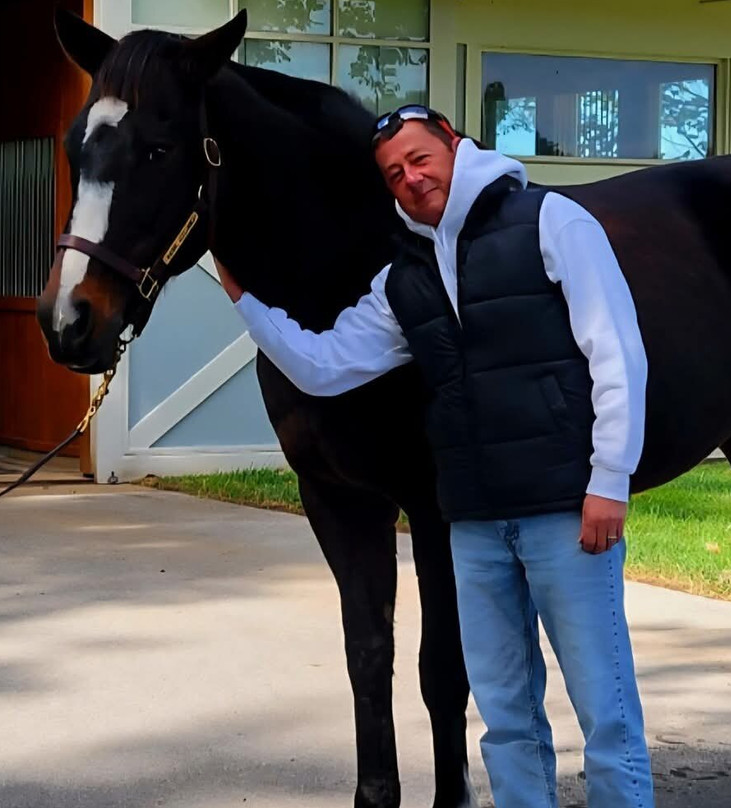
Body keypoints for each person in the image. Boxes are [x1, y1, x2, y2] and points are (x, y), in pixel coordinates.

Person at [214, 104, 653, 808]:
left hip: (562, 514)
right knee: (506, 719)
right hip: (473, 527)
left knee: (606, 712)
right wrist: (248, 304)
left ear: (454, 144)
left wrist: (610, 478)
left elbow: (617, 352)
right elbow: (326, 365)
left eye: (420, 159)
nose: (412, 179)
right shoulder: (403, 278)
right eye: (394, 174)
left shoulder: (552, 222)